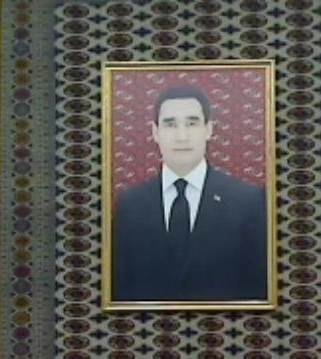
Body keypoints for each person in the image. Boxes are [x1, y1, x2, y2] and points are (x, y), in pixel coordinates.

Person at [110, 84, 270, 302]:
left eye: (192, 123)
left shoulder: (249, 202)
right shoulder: (130, 205)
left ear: (208, 129)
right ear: (155, 132)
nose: (182, 136)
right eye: (170, 124)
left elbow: (260, 293)